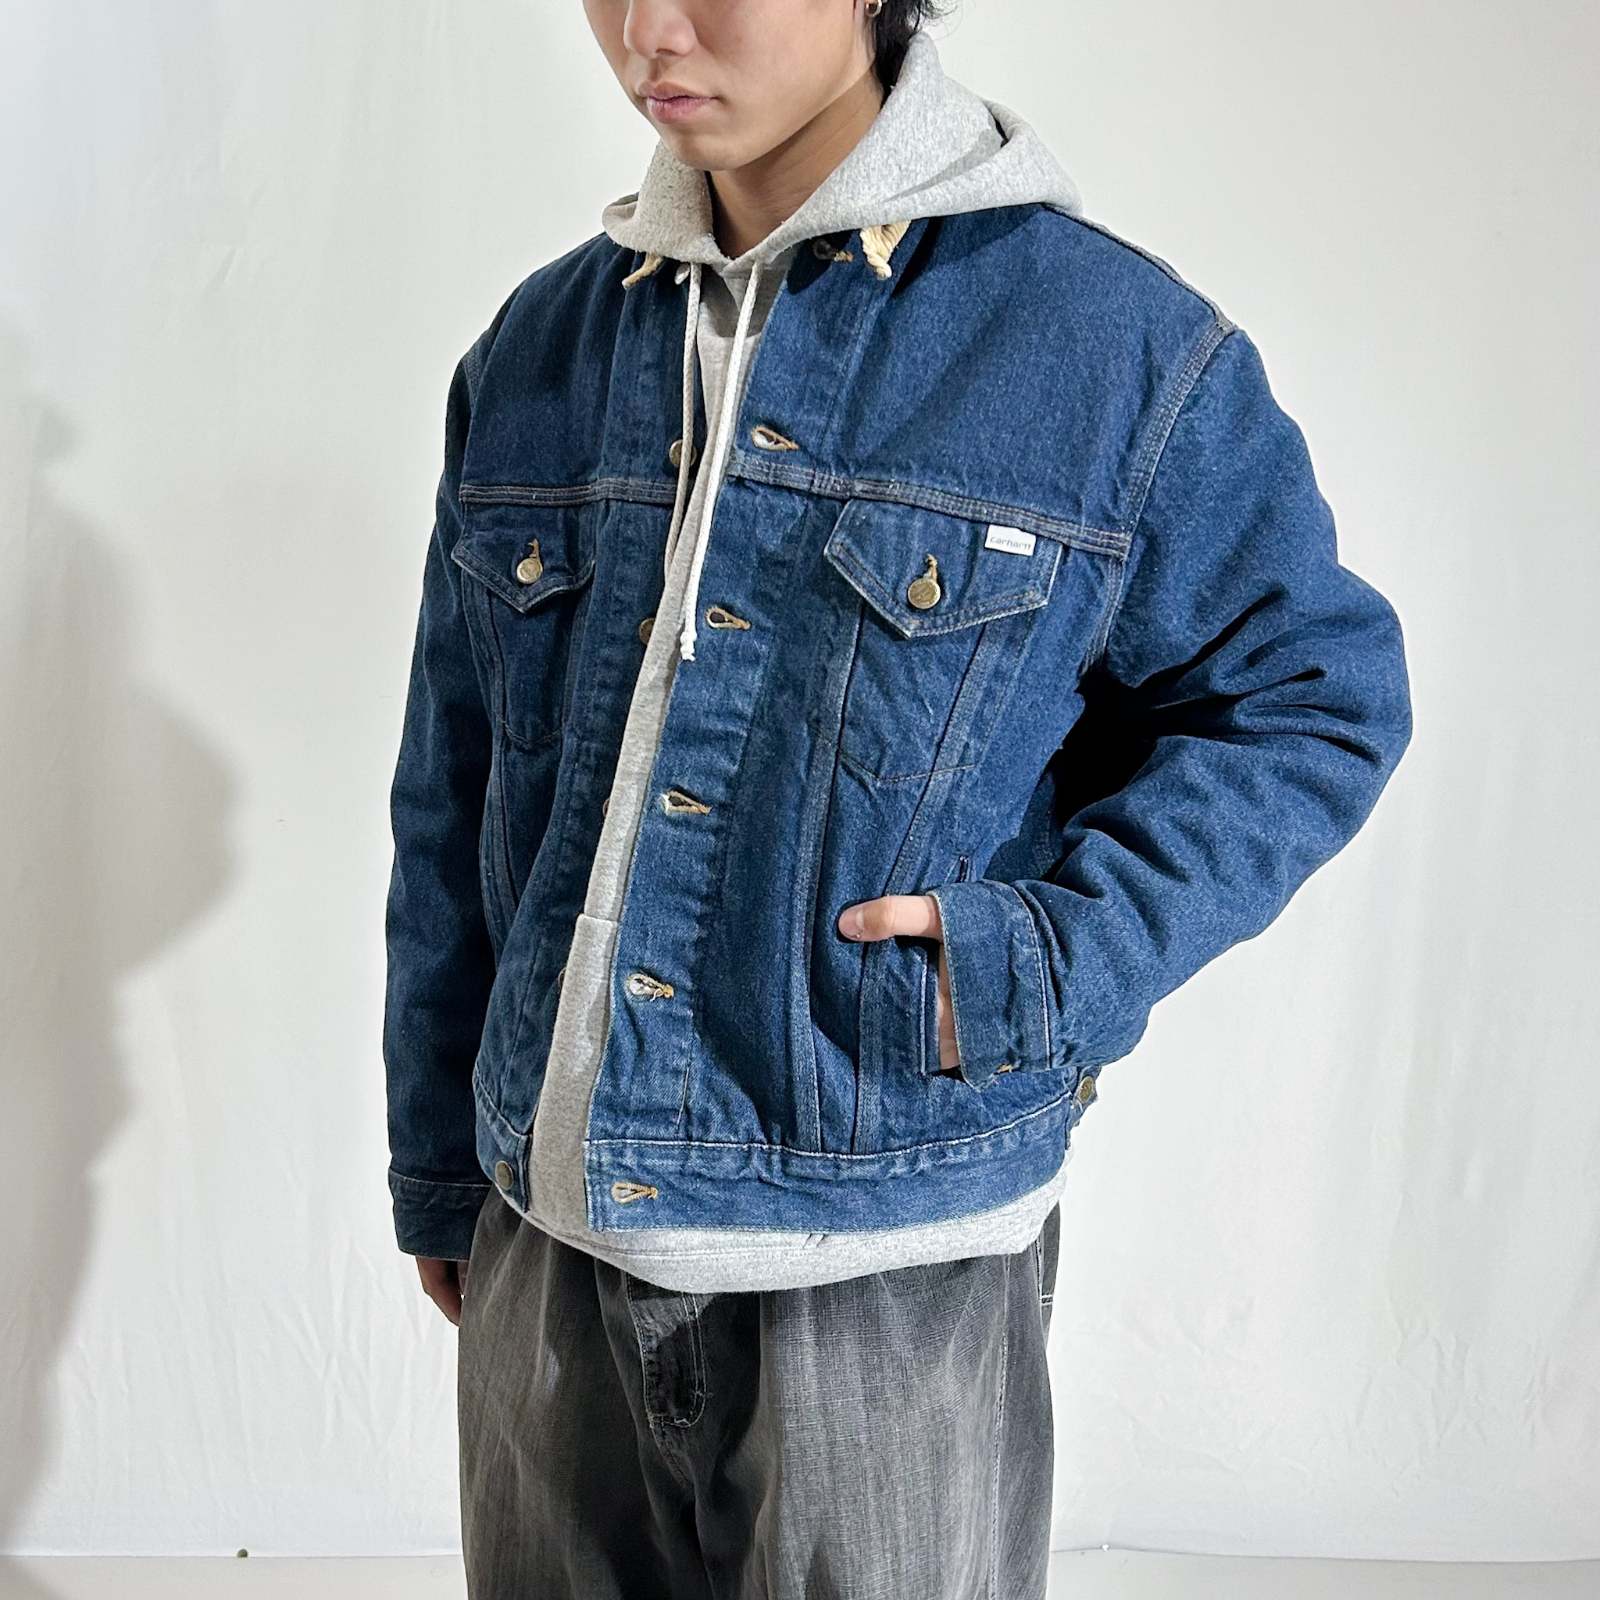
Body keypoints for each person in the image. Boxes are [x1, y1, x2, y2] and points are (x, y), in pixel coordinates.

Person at [380, 1, 1414, 1595]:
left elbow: (1313, 699)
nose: (649, 27)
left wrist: (1039, 965)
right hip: (546, 1244)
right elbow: (453, 787)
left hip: (885, 1265)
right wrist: (443, 1162)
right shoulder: (540, 350)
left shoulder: (1111, 349)